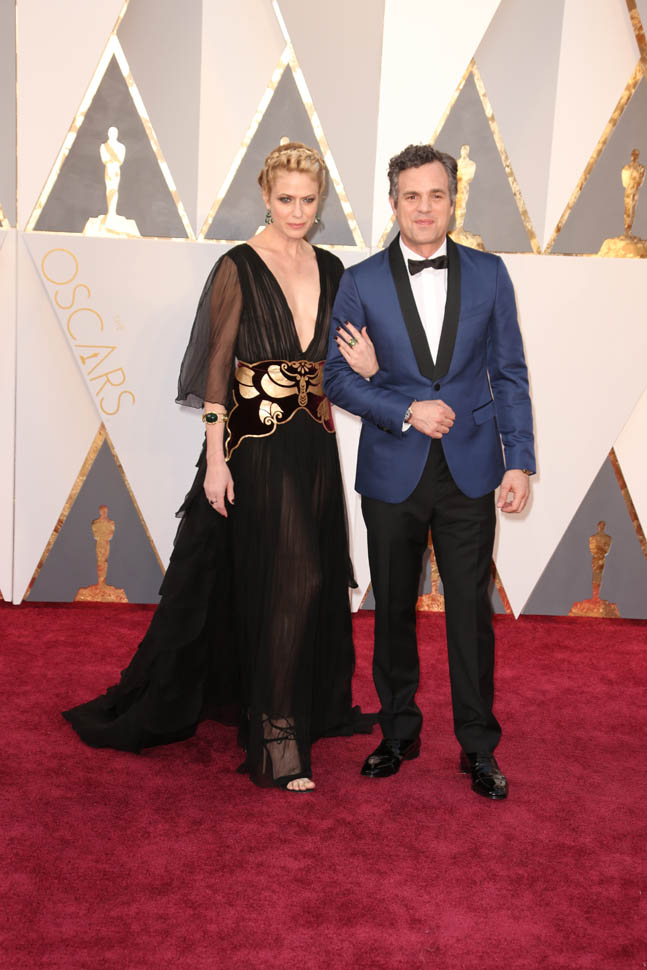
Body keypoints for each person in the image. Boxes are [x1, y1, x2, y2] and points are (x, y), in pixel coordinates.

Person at [64, 141, 374, 792]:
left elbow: (341, 369)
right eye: (285, 199)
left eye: (307, 200)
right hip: (254, 447)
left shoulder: (332, 268)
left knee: (313, 579)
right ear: (265, 195)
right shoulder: (238, 266)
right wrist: (214, 461)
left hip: (315, 446)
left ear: (320, 200)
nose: (297, 211)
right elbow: (215, 375)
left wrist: (368, 369)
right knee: (291, 579)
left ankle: (301, 706)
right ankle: (276, 742)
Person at [324, 144, 535, 800]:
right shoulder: (360, 282)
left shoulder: (490, 274)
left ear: (452, 201)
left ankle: (478, 746)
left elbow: (508, 373)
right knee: (392, 606)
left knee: (469, 612)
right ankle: (398, 732)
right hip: (393, 469)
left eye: (435, 195)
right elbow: (336, 378)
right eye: (411, 196)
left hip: (472, 468)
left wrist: (520, 460)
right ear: (393, 203)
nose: (423, 207)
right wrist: (405, 409)